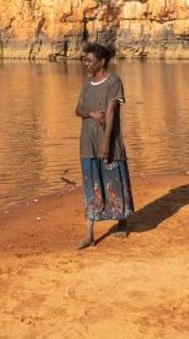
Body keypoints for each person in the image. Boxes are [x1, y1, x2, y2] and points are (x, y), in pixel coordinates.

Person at [74, 42, 134, 249]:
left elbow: (110, 113)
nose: (86, 64)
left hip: (108, 141)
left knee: (114, 180)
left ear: (101, 61)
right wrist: (90, 113)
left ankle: (122, 220)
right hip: (87, 142)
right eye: (85, 60)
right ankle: (89, 233)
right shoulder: (87, 84)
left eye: (89, 61)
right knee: (91, 185)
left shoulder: (114, 82)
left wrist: (106, 143)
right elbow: (77, 110)